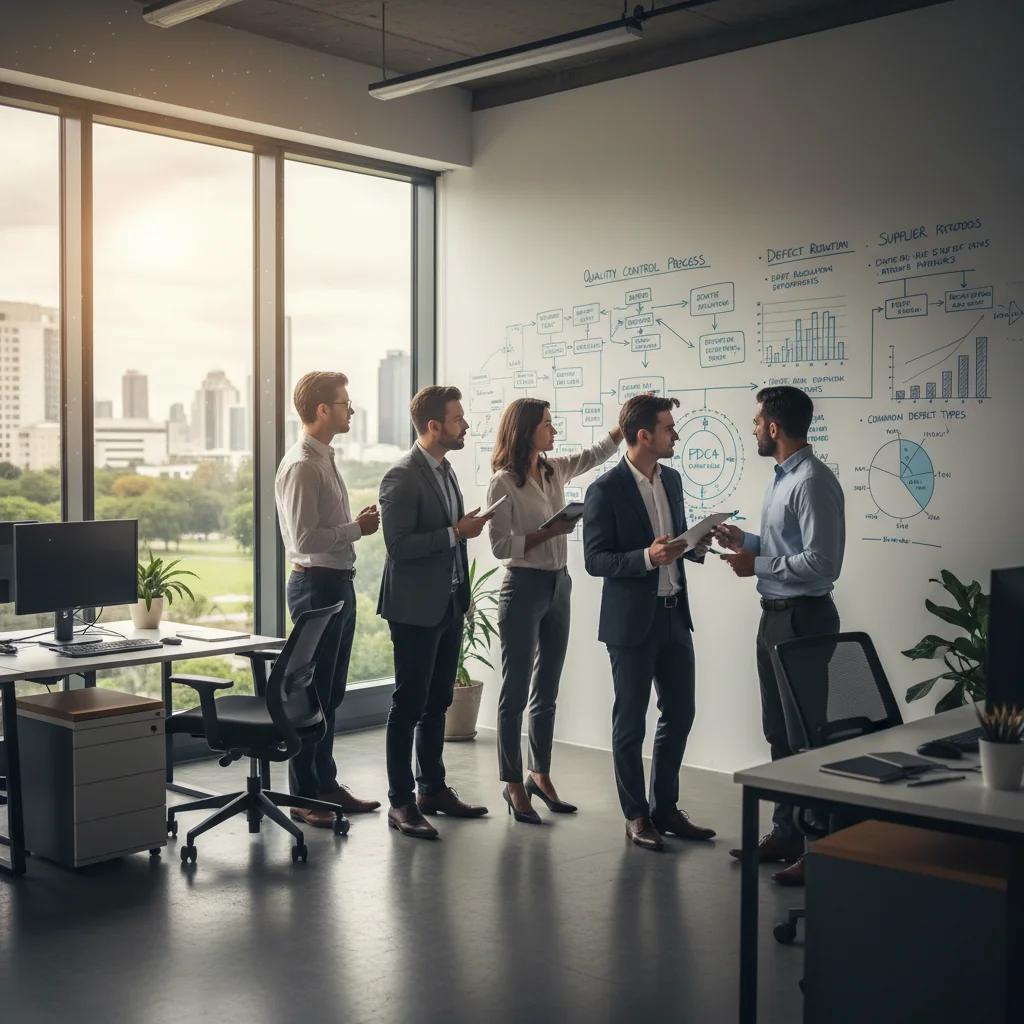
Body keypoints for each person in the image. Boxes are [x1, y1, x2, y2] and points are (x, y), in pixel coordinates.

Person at [716, 385, 845, 886]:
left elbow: (822, 562)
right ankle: (788, 833)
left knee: (808, 741)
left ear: (773, 427)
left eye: (755, 422)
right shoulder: (783, 479)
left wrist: (759, 563)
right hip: (773, 616)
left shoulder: (812, 481)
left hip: (805, 619)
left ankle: (818, 850)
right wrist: (743, 542)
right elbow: (782, 545)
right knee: (779, 734)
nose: (752, 429)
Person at [583, 394, 717, 851]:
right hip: (630, 626)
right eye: (668, 428)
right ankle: (636, 815)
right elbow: (595, 560)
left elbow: (674, 542)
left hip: (675, 616)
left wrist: (696, 545)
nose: (675, 434)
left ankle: (665, 808)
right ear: (644, 436)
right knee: (630, 722)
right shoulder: (604, 491)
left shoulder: (673, 481)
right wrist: (646, 557)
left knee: (680, 713)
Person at [486, 398, 623, 823]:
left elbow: (596, 454)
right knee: (514, 694)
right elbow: (498, 546)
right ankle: (512, 784)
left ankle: (539, 774)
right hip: (523, 587)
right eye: (547, 424)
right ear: (527, 430)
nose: (554, 431)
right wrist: (548, 532)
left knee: (546, 690)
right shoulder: (502, 483)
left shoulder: (553, 469)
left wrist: (622, 427)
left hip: (559, 585)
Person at [377, 385, 492, 839]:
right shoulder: (400, 476)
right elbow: (398, 547)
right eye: (458, 419)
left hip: (447, 605)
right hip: (413, 610)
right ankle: (401, 803)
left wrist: (461, 595)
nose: (465, 425)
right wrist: (454, 532)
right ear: (433, 426)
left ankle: (432, 790)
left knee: (438, 703)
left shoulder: (446, 471)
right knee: (408, 706)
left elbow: (455, 540)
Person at [274, 370, 382, 827]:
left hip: (335, 583)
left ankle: (325, 785)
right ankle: (303, 796)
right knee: (310, 695)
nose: (351, 409)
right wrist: (356, 529)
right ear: (323, 410)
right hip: (315, 584)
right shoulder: (302, 464)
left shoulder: (324, 457)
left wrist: (353, 526)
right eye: (344, 402)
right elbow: (303, 537)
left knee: (330, 694)